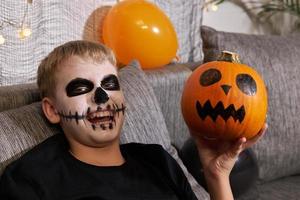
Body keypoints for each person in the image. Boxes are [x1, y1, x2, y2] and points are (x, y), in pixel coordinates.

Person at [0, 40, 267, 200]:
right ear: (52, 110)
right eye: (81, 88)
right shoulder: (31, 178)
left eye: (109, 83)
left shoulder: (158, 160)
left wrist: (217, 176)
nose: (102, 97)